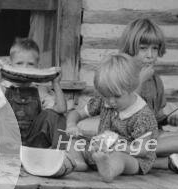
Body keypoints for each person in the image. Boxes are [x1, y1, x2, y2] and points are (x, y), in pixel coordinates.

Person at [118, 18, 178, 170]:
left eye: (154, 48)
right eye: (143, 48)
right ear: (130, 48)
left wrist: (169, 120)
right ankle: (146, 157)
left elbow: (156, 118)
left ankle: (139, 158)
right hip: (127, 136)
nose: (150, 55)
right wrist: (140, 81)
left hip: (151, 136)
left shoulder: (156, 80)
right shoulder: (120, 74)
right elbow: (124, 112)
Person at [65, 53, 158, 182]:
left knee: (118, 158)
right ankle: (78, 162)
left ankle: (109, 170)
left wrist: (117, 147)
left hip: (132, 158)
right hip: (101, 150)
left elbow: (142, 150)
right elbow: (76, 114)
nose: (111, 101)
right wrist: (71, 125)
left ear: (132, 88)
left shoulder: (142, 115)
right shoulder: (105, 101)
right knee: (75, 144)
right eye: (106, 95)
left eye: (116, 96)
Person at [0, 37, 67, 156]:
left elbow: (61, 109)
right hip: (6, 140)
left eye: (30, 64)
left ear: (37, 66)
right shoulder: (4, 87)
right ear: (10, 65)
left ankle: (60, 152)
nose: (24, 68)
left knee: (56, 115)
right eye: (19, 63)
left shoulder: (40, 89)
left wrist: (56, 83)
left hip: (33, 143)